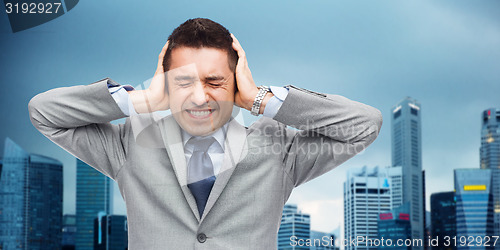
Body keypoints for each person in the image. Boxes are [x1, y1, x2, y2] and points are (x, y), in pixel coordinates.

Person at [29, 18, 382, 249]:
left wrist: (259, 99)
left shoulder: (279, 150)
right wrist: (143, 99)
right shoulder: (127, 144)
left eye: (215, 81)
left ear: (235, 83)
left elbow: (363, 125)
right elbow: (44, 112)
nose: (200, 96)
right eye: (183, 82)